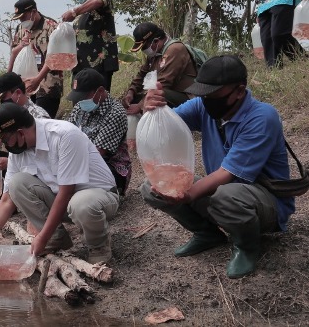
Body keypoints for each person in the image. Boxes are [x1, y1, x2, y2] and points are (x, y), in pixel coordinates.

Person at [139, 55, 295, 278]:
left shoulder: (262, 117)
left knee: (225, 196)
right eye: (203, 93)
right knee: (152, 187)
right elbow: (165, 127)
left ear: (239, 91)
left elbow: (226, 174)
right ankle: (207, 234)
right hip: (224, 192)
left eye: (213, 94)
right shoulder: (204, 105)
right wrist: (153, 108)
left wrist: (188, 195)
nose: (206, 99)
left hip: (262, 202)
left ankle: (247, 246)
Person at [0, 103, 119, 264]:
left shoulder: (64, 135)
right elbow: (6, 201)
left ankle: (98, 246)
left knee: (80, 204)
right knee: (17, 184)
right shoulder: (18, 151)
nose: (5, 146)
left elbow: (66, 192)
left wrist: (41, 237)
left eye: (5, 140)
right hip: (63, 203)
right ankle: (57, 238)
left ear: (20, 133)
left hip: (99, 197)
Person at [65, 68, 131, 196]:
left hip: (108, 168)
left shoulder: (115, 113)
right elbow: (66, 135)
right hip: (81, 161)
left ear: (100, 91)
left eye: (84, 97)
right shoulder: (79, 107)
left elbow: (97, 154)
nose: (80, 101)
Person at [0, 72, 51, 172]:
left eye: (3, 98)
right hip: (17, 160)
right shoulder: (6, 114)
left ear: (18, 93)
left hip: (37, 167)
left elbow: (46, 156)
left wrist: (10, 163)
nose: (2, 103)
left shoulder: (39, 116)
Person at [60, 0, 119, 91]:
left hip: (98, 66)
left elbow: (98, 1)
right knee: (78, 104)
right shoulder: (81, 14)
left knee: (97, 102)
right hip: (80, 67)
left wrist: (74, 11)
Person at [123, 22, 198, 113]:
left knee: (160, 94)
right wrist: (131, 92)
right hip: (170, 92)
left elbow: (164, 82)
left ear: (156, 41)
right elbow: (142, 75)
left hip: (188, 97)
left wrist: (140, 106)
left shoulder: (175, 49)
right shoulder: (154, 55)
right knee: (136, 97)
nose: (144, 51)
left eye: (145, 47)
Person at [8, 0, 63, 119]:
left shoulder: (52, 27)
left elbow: (55, 56)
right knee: (25, 121)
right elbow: (14, 52)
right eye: (19, 19)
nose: (21, 21)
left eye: (23, 17)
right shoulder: (21, 29)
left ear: (33, 12)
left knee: (42, 122)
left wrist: (38, 79)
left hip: (48, 84)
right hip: (25, 84)